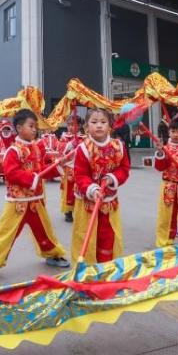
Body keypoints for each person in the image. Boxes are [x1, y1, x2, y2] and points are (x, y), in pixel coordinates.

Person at [0, 110, 70, 283]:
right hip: (18, 202)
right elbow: (11, 174)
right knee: (6, 234)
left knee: (45, 230)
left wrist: (59, 167)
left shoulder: (36, 147)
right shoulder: (13, 151)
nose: (34, 130)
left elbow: (43, 170)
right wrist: (32, 178)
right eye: (31, 126)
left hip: (35, 200)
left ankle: (53, 254)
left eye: (35, 126)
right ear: (19, 127)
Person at [71, 109, 131, 263]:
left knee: (107, 234)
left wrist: (112, 178)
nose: (99, 126)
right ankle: (86, 269)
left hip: (109, 201)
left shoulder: (118, 146)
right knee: (85, 235)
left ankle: (105, 265)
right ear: (86, 126)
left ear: (110, 126)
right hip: (88, 200)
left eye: (103, 122)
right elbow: (80, 175)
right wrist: (93, 189)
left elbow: (124, 169)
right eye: (94, 122)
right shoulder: (83, 148)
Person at [152, 118, 178, 247]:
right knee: (167, 215)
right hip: (169, 186)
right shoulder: (165, 149)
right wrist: (160, 152)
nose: (175, 134)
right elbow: (160, 167)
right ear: (168, 132)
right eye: (173, 131)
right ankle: (165, 241)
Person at [58, 116, 82, 222]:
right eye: (69, 125)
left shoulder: (85, 138)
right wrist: (70, 144)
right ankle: (67, 211)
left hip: (79, 169)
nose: (70, 127)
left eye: (73, 124)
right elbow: (60, 149)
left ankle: (78, 210)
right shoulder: (64, 137)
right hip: (68, 169)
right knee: (67, 191)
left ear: (80, 126)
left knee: (78, 190)